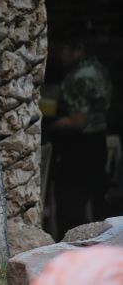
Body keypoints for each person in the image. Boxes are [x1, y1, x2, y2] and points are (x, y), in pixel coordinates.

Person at [50, 30, 112, 239]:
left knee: (71, 207)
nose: (59, 55)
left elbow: (78, 121)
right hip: (98, 142)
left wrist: (47, 125)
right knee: (96, 203)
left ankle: (71, 252)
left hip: (78, 149)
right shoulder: (99, 69)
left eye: (63, 50)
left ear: (76, 50)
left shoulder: (77, 77)